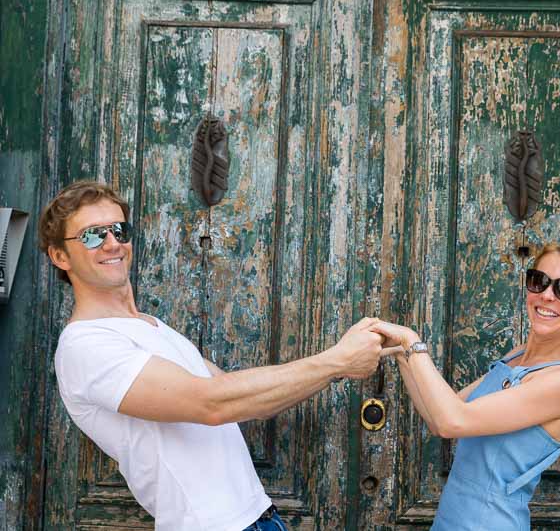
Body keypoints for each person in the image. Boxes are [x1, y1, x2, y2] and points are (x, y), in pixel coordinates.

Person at [39, 180, 389, 531]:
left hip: (259, 516)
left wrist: (340, 365)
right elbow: (212, 403)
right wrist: (337, 361)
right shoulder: (85, 344)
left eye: (119, 229)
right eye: (91, 235)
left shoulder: (149, 326)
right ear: (60, 256)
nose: (112, 243)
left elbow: (248, 399)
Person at [373, 242, 560, 530]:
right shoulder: (517, 356)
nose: (546, 296)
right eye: (539, 281)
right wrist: (402, 354)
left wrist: (412, 342)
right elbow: (438, 417)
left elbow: (452, 420)